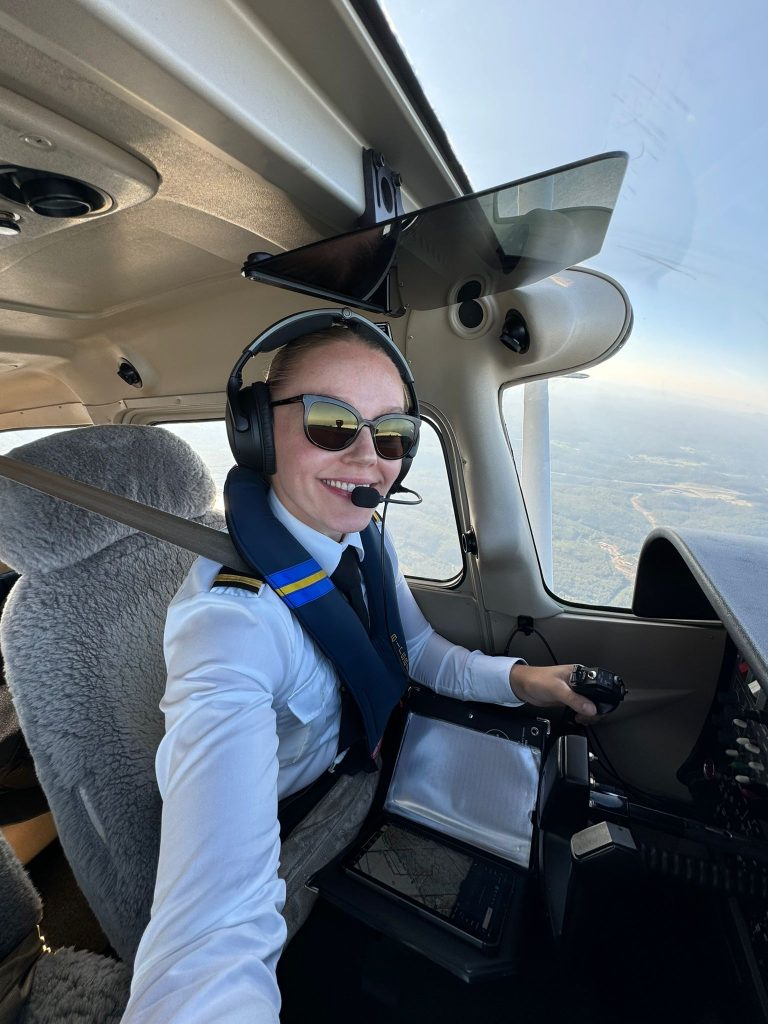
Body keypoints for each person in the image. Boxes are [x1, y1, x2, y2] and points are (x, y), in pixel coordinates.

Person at [122, 315, 597, 1023]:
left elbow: (418, 651)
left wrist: (522, 680)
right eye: (331, 422)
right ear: (257, 431)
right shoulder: (231, 624)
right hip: (297, 828)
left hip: (362, 782)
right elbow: (210, 934)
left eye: (393, 433)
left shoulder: (364, 539)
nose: (368, 457)